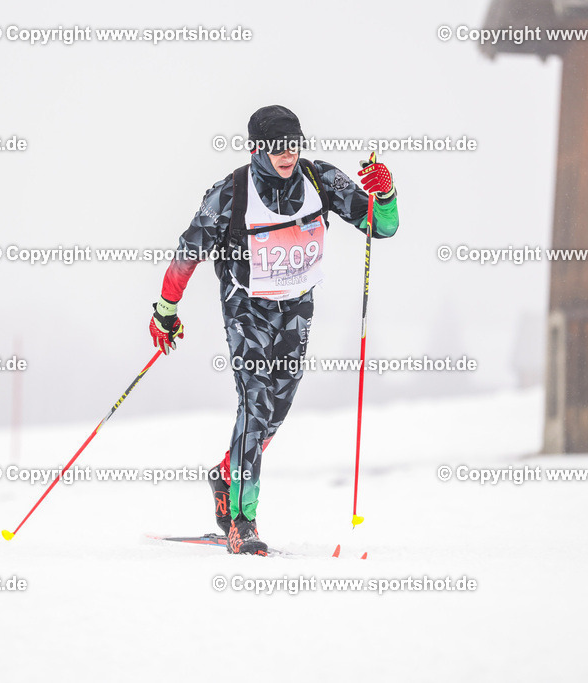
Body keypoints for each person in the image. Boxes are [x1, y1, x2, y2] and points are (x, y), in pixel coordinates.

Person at [149, 105, 400, 555]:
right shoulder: (231, 193)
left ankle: (227, 474)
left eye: (294, 145)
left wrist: (386, 194)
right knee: (255, 403)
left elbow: (379, 228)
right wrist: (166, 310)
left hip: (296, 309)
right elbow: (188, 252)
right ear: (256, 149)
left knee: (274, 414)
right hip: (247, 308)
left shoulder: (320, 179)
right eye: (278, 147)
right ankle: (242, 522)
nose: (288, 155)